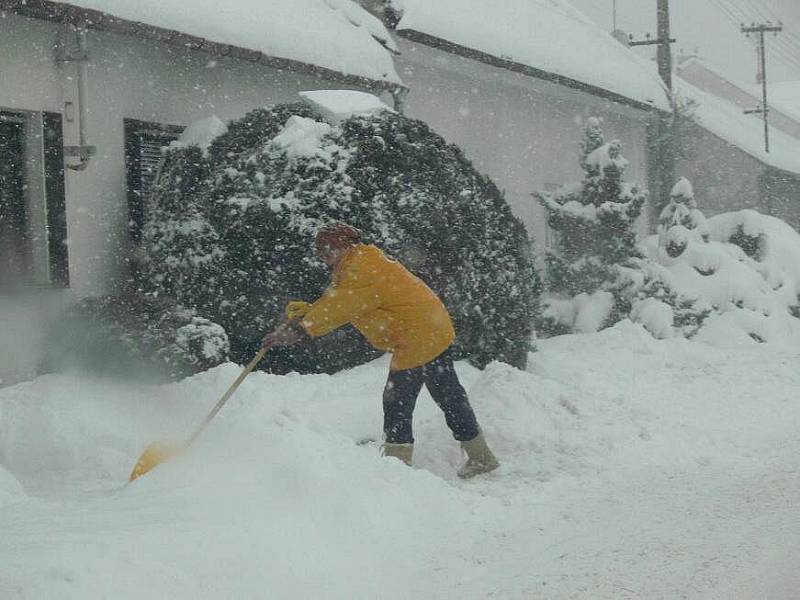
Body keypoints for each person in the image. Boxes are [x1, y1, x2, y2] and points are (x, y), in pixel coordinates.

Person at [262, 222, 499, 478]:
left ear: (346, 245)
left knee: (397, 401)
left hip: (416, 336)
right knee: (449, 395)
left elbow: (341, 306)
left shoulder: (360, 270)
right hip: (432, 328)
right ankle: (481, 456)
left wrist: (297, 330)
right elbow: (341, 300)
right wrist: (308, 314)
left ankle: (397, 471)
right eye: (321, 250)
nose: (325, 255)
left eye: (330, 248)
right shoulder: (361, 262)